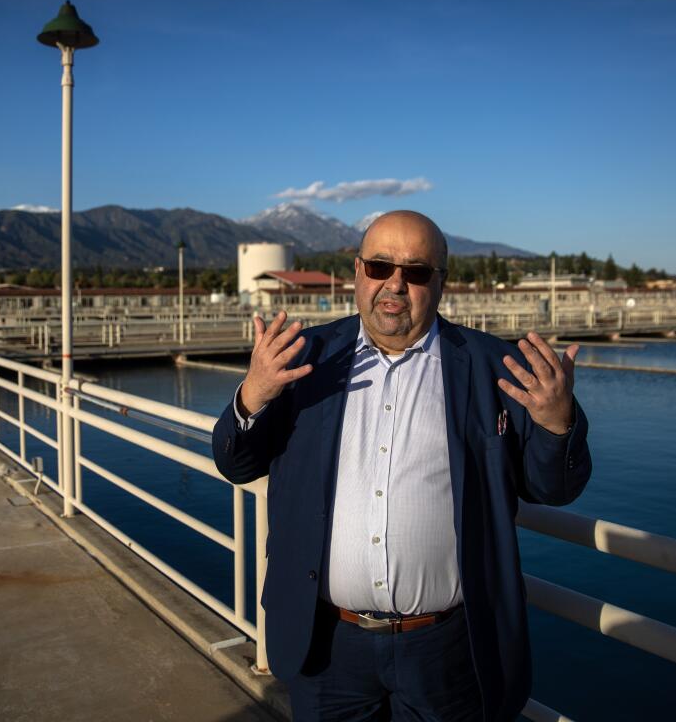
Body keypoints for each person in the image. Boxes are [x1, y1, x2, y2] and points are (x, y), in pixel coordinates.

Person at [212, 211, 592, 721]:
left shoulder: (494, 367)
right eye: (379, 266)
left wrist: (555, 422)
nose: (394, 283)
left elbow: (554, 489)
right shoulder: (304, 359)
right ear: (356, 272)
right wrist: (254, 393)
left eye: (415, 272)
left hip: (448, 648)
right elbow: (235, 464)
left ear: (440, 283)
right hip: (326, 645)